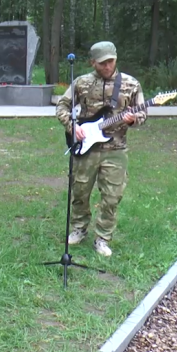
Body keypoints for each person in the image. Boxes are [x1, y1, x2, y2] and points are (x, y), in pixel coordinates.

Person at [56, 41, 147, 257]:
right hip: (86, 147)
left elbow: (142, 115)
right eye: (102, 63)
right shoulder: (81, 82)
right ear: (93, 62)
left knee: (112, 196)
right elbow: (62, 106)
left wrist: (133, 119)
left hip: (116, 149)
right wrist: (73, 126)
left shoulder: (131, 84)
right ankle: (79, 228)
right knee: (79, 191)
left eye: (110, 61)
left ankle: (103, 237)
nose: (107, 66)